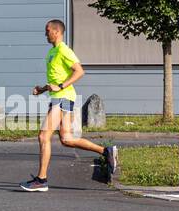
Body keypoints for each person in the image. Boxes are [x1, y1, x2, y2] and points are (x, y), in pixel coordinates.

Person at [20, 19, 117, 191]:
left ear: (57, 32)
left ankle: (41, 180)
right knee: (66, 139)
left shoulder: (64, 50)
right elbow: (56, 80)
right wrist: (42, 89)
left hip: (63, 98)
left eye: (47, 30)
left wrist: (61, 87)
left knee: (43, 136)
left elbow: (80, 71)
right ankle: (106, 151)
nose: (45, 34)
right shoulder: (52, 52)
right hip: (61, 97)